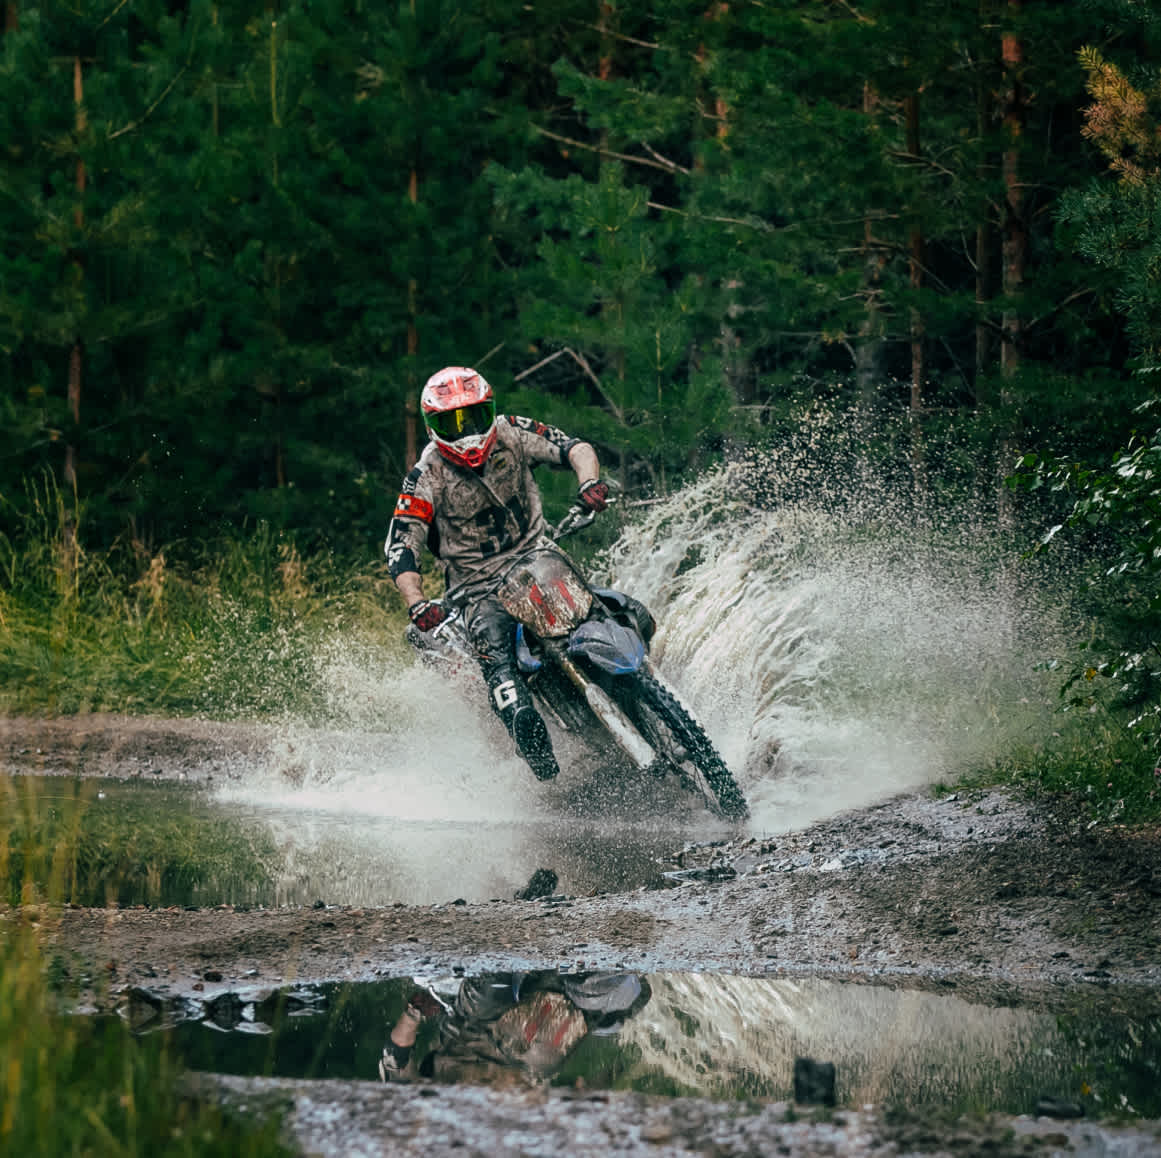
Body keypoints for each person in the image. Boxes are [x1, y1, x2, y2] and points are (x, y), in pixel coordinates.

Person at [385, 365, 611, 782]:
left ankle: (644, 677)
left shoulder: (511, 431)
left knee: (607, 609)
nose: (465, 432)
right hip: (479, 590)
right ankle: (535, 747)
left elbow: (572, 446)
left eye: (472, 417)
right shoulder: (424, 476)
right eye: (451, 423)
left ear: (488, 410)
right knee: (498, 664)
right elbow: (401, 547)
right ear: (432, 426)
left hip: (539, 557)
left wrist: (590, 483)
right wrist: (416, 602)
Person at [378, 970, 650, 1087]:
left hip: (476, 1026)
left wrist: (413, 1014)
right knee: (627, 998)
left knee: (491, 980)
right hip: (534, 1052)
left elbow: (396, 1060)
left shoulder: (415, 1115)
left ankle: (520, 912)